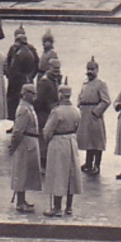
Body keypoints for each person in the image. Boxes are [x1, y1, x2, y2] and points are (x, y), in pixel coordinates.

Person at [40, 83, 82, 216]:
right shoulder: (76, 110)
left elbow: (47, 131)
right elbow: (77, 128)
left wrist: (47, 141)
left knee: (58, 174)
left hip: (58, 142)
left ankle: (57, 208)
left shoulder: (57, 111)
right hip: (71, 141)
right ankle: (69, 207)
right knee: (71, 174)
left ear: (60, 95)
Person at [7, 90, 43, 212]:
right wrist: (13, 145)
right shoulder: (23, 109)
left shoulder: (28, 107)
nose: (35, 96)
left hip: (29, 142)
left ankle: (22, 200)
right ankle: (20, 203)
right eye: (32, 93)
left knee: (25, 173)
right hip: (24, 143)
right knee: (21, 173)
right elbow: (18, 131)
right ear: (25, 94)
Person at [76, 58, 111, 175]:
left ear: (97, 70)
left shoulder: (101, 84)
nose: (90, 71)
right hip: (85, 114)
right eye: (88, 69)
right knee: (87, 140)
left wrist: (97, 112)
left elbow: (106, 100)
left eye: (92, 69)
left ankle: (97, 165)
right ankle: (88, 162)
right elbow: (80, 95)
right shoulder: (84, 83)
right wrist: (79, 104)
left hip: (95, 115)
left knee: (97, 141)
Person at [4, 27, 38, 124]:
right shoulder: (12, 49)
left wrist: (31, 75)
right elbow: (8, 61)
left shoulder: (30, 49)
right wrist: (7, 72)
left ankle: (22, 124)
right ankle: (15, 123)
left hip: (22, 79)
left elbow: (36, 63)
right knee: (14, 103)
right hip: (14, 81)